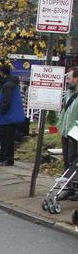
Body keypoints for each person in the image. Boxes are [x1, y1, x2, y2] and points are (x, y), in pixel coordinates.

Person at [0, 64, 24, 165]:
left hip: (7, 117)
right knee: (5, 137)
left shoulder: (8, 85)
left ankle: (7, 158)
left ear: (2, 72)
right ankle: (3, 157)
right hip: (10, 116)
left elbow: (6, 101)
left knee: (5, 138)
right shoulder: (12, 83)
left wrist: (2, 111)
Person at [57, 67, 78, 199]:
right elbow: (64, 112)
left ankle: (76, 188)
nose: (68, 81)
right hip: (66, 132)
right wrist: (60, 128)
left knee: (74, 160)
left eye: (70, 78)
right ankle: (69, 187)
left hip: (75, 134)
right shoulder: (68, 95)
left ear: (76, 79)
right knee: (67, 160)